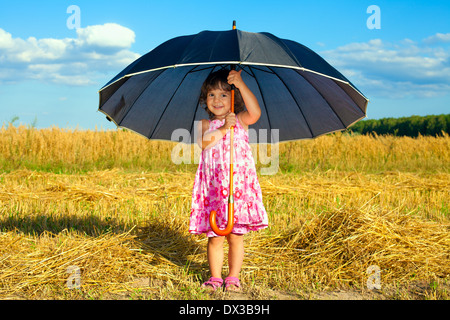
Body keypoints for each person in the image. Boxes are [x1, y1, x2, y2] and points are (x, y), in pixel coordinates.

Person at [189, 68, 268, 292]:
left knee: (235, 235)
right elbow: (204, 143)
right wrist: (224, 128)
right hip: (215, 190)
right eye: (212, 95)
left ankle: (233, 277)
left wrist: (240, 83)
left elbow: (256, 113)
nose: (217, 99)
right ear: (205, 100)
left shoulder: (241, 120)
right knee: (215, 237)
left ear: (234, 98)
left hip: (238, 189)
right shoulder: (204, 124)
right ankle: (215, 277)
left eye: (224, 94)